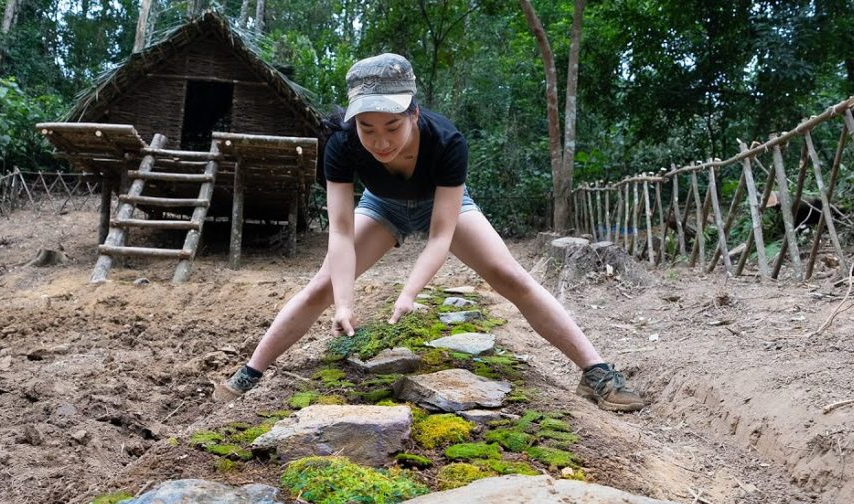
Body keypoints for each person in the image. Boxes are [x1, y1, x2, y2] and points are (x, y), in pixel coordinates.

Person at [215, 53, 644, 412]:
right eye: (368, 129)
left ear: (413, 113)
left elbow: (441, 234)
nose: (380, 142)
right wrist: (343, 302)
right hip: (380, 208)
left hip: (443, 206)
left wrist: (410, 292)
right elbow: (341, 234)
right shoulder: (341, 145)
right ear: (354, 122)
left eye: (392, 127)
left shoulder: (447, 141)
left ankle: (596, 373)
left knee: (511, 277)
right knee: (320, 289)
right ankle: (247, 376)